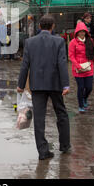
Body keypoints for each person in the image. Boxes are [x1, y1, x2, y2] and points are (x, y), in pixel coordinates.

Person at [17, 15, 71, 161]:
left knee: (39, 118)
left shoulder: (29, 42)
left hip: (37, 85)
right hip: (55, 84)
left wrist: (20, 85)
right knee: (61, 113)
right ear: (53, 26)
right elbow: (62, 63)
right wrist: (66, 84)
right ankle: (65, 145)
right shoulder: (59, 41)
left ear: (39, 27)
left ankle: (43, 151)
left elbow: (25, 65)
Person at [69, 21, 94, 113]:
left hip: (89, 69)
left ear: (85, 32)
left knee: (89, 88)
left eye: (83, 31)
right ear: (77, 32)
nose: (82, 33)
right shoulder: (73, 42)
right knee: (80, 87)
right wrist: (77, 65)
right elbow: (71, 56)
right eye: (80, 31)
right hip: (78, 70)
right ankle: (81, 105)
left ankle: (84, 98)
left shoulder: (90, 41)